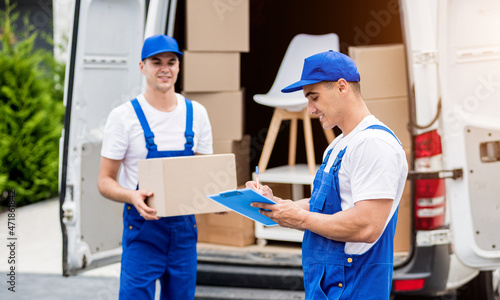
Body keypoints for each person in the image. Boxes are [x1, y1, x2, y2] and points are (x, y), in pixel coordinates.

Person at [248, 50, 408, 299]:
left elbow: (367, 225)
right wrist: (278, 205)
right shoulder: (338, 145)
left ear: (342, 87)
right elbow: (322, 206)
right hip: (327, 285)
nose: (310, 109)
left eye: (314, 98)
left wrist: (299, 219)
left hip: (355, 285)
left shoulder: (374, 144)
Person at [97, 34, 213, 300]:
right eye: (156, 61)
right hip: (142, 232)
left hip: (183, 234)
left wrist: (217, 201)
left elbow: (204, 176)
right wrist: (130, 196)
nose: (165, 68)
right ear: (142, 67)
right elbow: (104, 181)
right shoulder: (123, 117)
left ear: (179, 67)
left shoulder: (196, 114)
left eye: (171, 62)